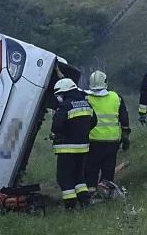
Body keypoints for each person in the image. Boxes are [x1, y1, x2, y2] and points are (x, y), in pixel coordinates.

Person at [50, 78, 95, 209]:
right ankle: (85, 202)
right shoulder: (86, 104)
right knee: (79, 177)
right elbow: (94, 121)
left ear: (65, 92)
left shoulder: (65, 106)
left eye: (60, 95)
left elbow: (57, 126)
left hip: (67, 148)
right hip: (83, 148)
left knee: (64, 177)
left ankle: (70, 206)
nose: (59, 98)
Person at [83, 70, 129, 197]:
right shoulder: (116, 98)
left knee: (91, 169)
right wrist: (125, 137)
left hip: (93, 141)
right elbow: (124, 119)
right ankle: (106, 192)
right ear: (106, 83)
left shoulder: (86, 98)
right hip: (112, 141)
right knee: (108, 169)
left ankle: (90, 195)